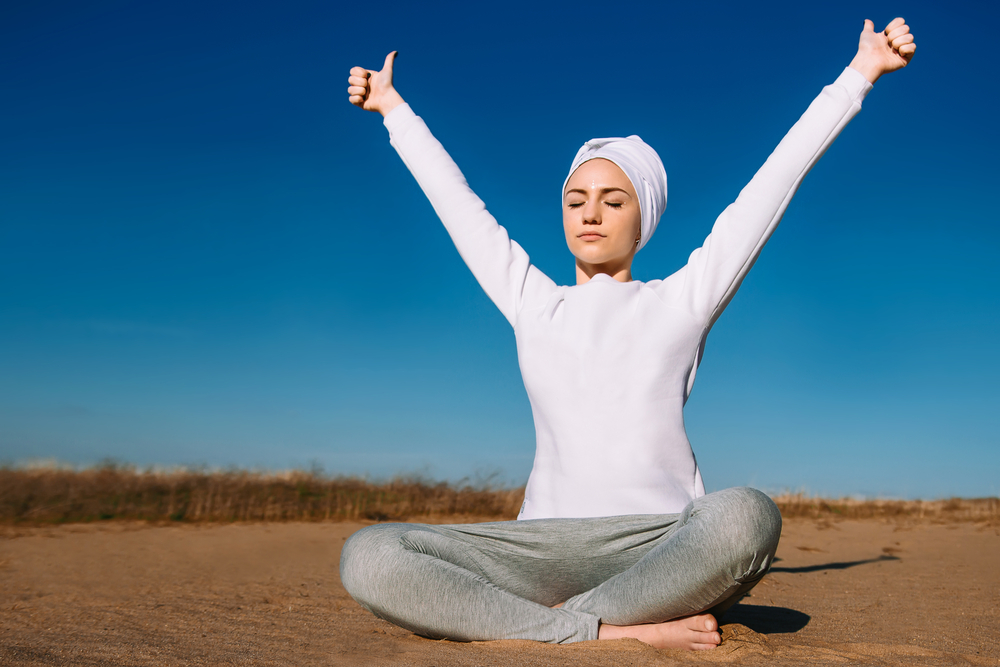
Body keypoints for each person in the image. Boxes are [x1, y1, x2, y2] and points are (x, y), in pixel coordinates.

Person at [339, 18, 916, 650]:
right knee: (370, 553)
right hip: (538, 547)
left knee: (747, 516)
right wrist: (394, 109)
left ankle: (547, 624)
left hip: (660, 544)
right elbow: (458, 205)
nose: (590, 212)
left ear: (643, 218)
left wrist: (859, 74)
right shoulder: (534, 300)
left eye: (614, 200)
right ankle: (609, 630)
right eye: (576, 198)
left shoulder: (682, 300)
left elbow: (771, 184)